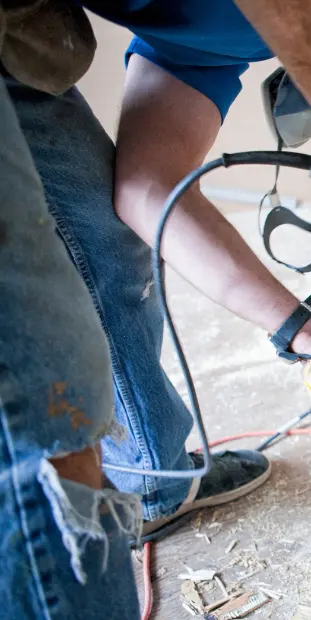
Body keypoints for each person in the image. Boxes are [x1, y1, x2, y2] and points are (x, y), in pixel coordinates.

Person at [9, 0, 311, 541]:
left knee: (97, 239)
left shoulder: (215, 43)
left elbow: (149, 189)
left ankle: (152, 480)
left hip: (21, 35)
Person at [1, 1, 141, 615]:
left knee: (108, 240)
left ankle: (154, 468)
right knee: (50, 402)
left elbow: (150, 187)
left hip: (24, 42)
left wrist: (304, 335)